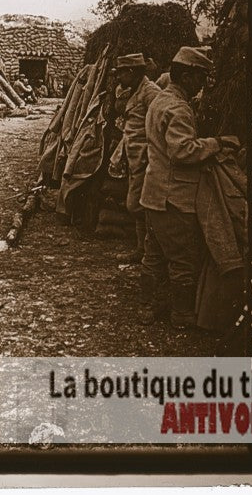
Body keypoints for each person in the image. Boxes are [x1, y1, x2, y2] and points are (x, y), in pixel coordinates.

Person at [141, 46, 231, 329]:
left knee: (153, 255)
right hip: (174, 198)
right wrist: (216, 143)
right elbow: (182, 151)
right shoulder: (178, 108)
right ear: (188, 76)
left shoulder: (159, 100)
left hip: (153, 193)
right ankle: (181, 315)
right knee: (183, 259)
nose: (202, 84)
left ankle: (150, 308)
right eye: (200, 78)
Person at [114, 53, 164, 324]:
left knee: (139, 205)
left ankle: (146, 252)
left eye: (122, 73)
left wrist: (147, 154)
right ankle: (140, 249)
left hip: (145, 158)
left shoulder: (151, 92)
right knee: (135, 205)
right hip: (133, 156)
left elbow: (156, 125)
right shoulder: (134, 90)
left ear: (133, 72)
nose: (119, 78)